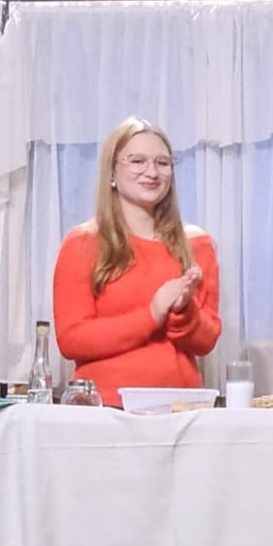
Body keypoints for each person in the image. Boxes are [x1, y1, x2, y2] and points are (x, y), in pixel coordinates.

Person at [52, 117, 220, 408]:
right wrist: (153, 313)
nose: (152, 172)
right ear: (112, 173)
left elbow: (205, 342)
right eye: (137, 161)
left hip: (181, 410)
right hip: (106, 410)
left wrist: (184, 311)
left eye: (162, 163)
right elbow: (72, 340)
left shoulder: (197, 244)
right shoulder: (82, 243)